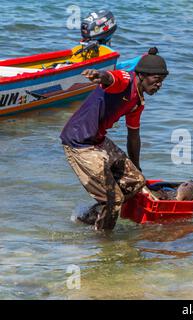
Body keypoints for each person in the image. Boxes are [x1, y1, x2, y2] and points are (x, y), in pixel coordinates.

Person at [60, 47, 169, 231]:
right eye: (156, 80)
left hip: (98, 140)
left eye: (162, 81)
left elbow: (133, 135)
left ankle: (88, 217)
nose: (159, 85)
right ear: (142, 75)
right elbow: (111, 78)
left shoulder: (138, 102)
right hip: (79, 142)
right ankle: (104, 243)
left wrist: (137, 168)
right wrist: (99, 75)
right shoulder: (127, 81)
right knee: (114, 200)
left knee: (136, 182)